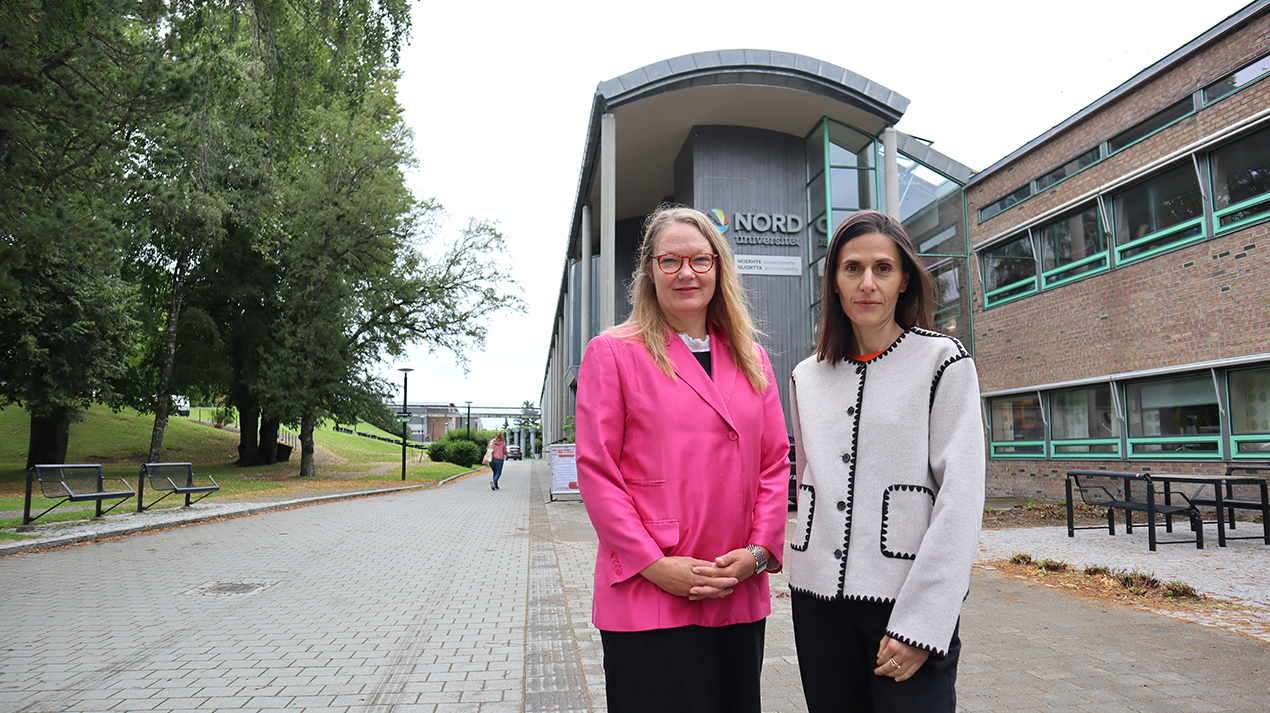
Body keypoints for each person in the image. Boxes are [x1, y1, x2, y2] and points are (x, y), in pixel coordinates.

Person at [576, 205, 790, 713]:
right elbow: (598, 472)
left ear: (718, 268)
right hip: (651, 592)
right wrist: (654, 565)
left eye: (700, 260)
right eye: (670, 260)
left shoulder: (752, 357)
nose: (686, 273)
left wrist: (758, 553)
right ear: (649, 271)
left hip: (735, 587)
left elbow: (775, 463)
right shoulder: (614, 352)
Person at [787, 210, 985, 713]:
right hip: (817, 604)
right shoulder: (805, 377)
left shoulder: (944, 361)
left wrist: (923, 623)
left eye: (883, 268)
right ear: (834, 282)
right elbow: (809, 480)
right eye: (852, 268)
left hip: (905, 601)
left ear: (904, 281)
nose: (867, 283)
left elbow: (961, 500)